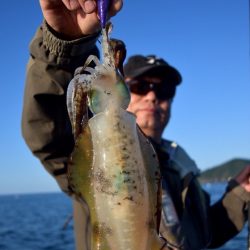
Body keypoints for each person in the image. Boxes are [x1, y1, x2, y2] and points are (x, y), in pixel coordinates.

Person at [22, 0, 250, 249]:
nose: (153, 96)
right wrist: (65, 44)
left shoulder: (180, 169)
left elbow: (203, 236)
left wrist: (239, 196)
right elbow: (47, 132)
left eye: (163, 90)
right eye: (141, 87)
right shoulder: (94, 152)